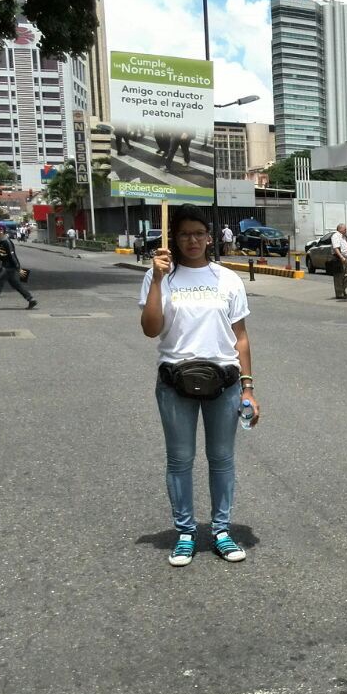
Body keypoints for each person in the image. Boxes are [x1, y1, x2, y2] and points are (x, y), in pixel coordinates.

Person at [139, 205, 257, 567]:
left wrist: (249, 389)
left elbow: (241, 338)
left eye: (199, 234)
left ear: (210, 238)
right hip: (175, 381)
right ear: (173, 238)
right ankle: (186, 533)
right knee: (180, 460)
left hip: (225, 383)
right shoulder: (160, 277)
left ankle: (221, 530)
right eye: (184, 234)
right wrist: (158, 280)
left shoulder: (228, 279)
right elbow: (150, 329)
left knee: (221, 459)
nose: (192, 240)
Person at [0, 228, 36, 310]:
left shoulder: (6, 242)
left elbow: (12, 256)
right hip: (6, 267)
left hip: (7, 268)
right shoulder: (1, 240)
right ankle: (31, 299)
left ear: (1, 231)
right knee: (16, 285)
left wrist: (18, 268)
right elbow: (0, 255)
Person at [330, 223, 347, 300]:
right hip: (338, 257)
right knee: (339, 276)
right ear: (340, 229)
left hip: (345, 257)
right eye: (345, 229)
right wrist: (341, 257)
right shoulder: (336, 236)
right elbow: (336, 248)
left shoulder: (344, 237)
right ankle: (339, 293)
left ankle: (342, 289)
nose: (346, 230)